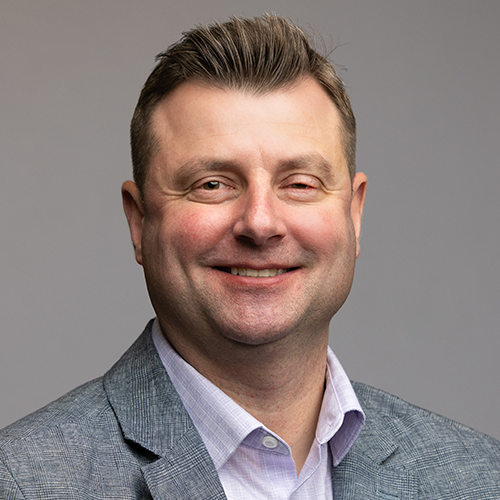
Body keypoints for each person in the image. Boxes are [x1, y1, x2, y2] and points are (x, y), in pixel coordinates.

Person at [1, 14, 499, 500]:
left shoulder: (480, 478)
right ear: (139, 220)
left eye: (300, 184)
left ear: (354, 213)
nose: (260, 223)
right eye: (212, 184)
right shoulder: (21, 482)